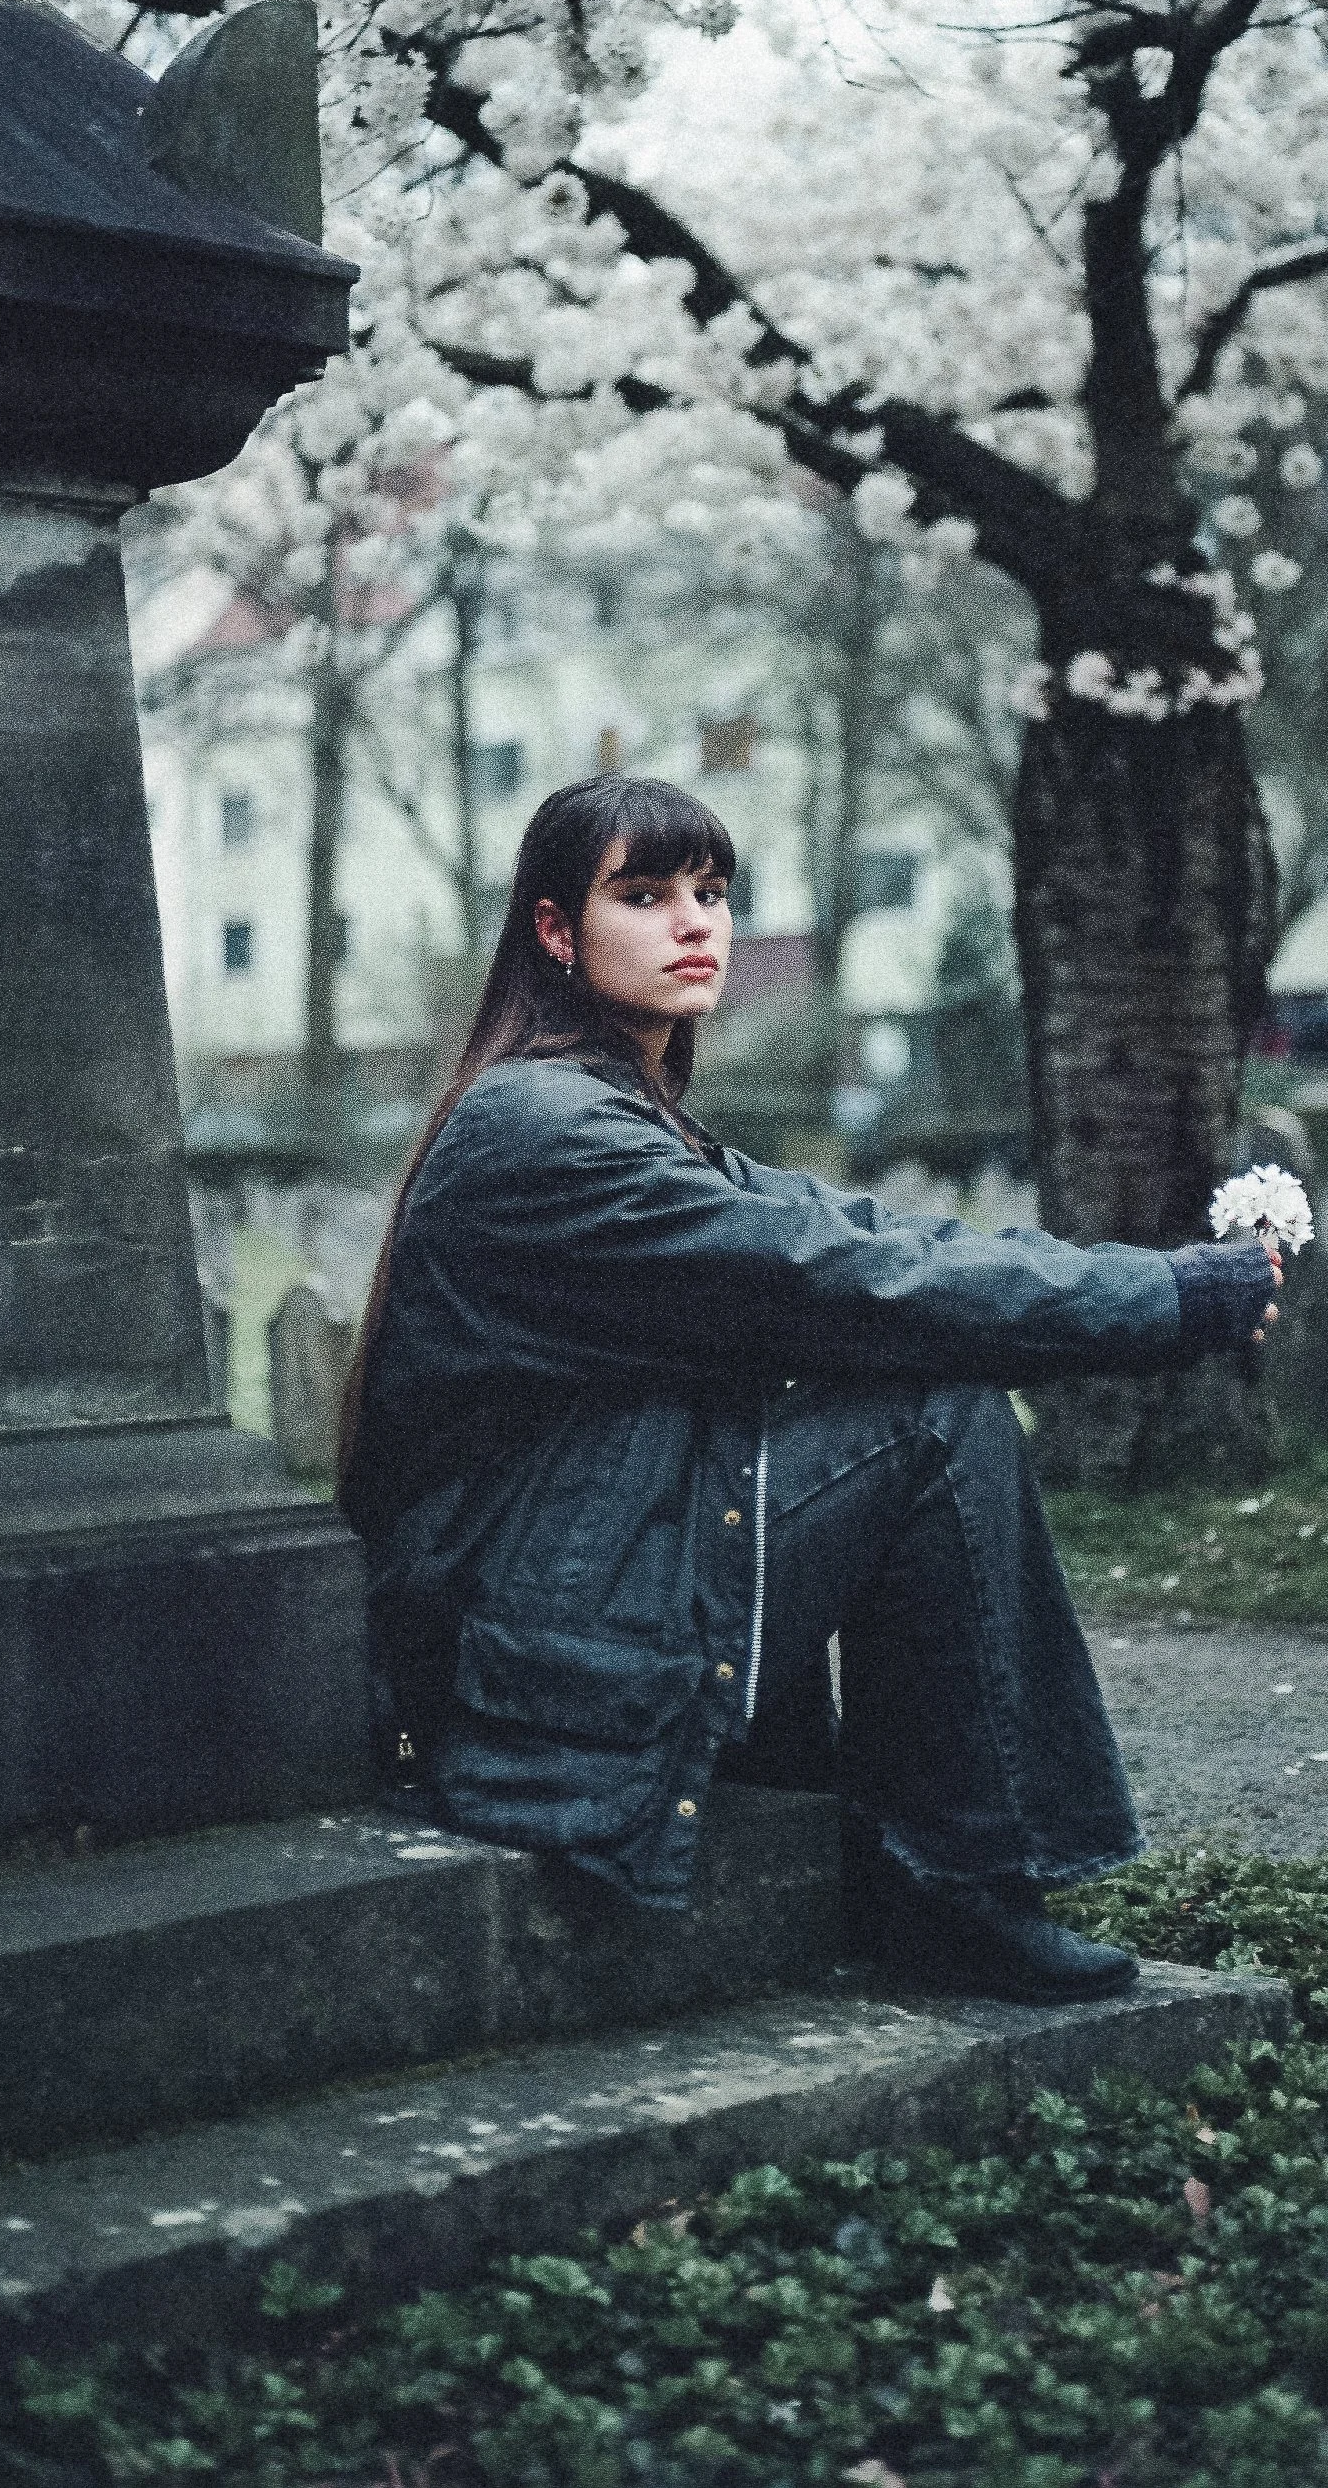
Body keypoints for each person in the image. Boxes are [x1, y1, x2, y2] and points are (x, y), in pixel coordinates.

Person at [339, 774, 1279, 2004]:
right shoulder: (545, 1131)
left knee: (916, 1384)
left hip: (567, 1600)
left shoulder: (624, 1114)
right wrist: (1164, 1304)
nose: (695, 922)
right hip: (523, 1665)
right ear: (555, 931)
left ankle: (931, 1862)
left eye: (712, 892)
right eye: (644, 895)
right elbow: (837, 1281)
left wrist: (1156, 1282)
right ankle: (947, 1883)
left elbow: (866, 1235)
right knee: (932, 1414)